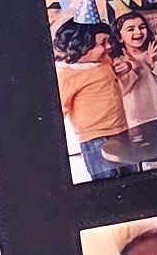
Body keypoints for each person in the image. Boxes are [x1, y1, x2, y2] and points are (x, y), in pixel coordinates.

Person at [54, 19, 127, 181]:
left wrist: (125, 67)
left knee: (130, 174)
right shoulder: (67, 75)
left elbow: (114, 80)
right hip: (94, 139)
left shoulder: (104, 61)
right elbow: (58, 110)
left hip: (121, 130)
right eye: (102, 43)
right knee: (106, 180)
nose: (108, 46)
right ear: (81, 47)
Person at [112, 9, 157, 136]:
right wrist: (133, 68)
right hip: (136, 118)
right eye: (130, 29)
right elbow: (121, 90)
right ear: (119, 37)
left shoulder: (155, 52)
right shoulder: (118, 61)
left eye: (142, 27)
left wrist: (153, 63)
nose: (138, 32)